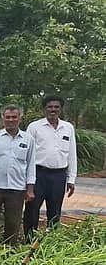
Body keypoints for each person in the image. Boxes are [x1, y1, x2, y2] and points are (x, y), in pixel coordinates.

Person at [0, 105, 36, 246]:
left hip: (17, 188)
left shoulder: (28, 140)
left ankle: (9, 253)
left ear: (20, 118)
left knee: (13, 222)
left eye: (14, 117)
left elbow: (30, 166)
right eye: (8, 117)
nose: (11, 120)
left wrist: (30, 190)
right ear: (3, 118)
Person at [23, 95, 77, 236]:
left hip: (59, 176)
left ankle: (50, 241)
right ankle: (29, 242)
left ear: (61, 109)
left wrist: (71, 179)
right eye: (50, 107)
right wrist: (27, 180)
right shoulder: (34, 127)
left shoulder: (68, 128)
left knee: (54, 211)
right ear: (44, 109)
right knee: (32, 210)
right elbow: (26, 155)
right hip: (38, 174)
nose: (53, 110)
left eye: (56, 107)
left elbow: (72, 154)